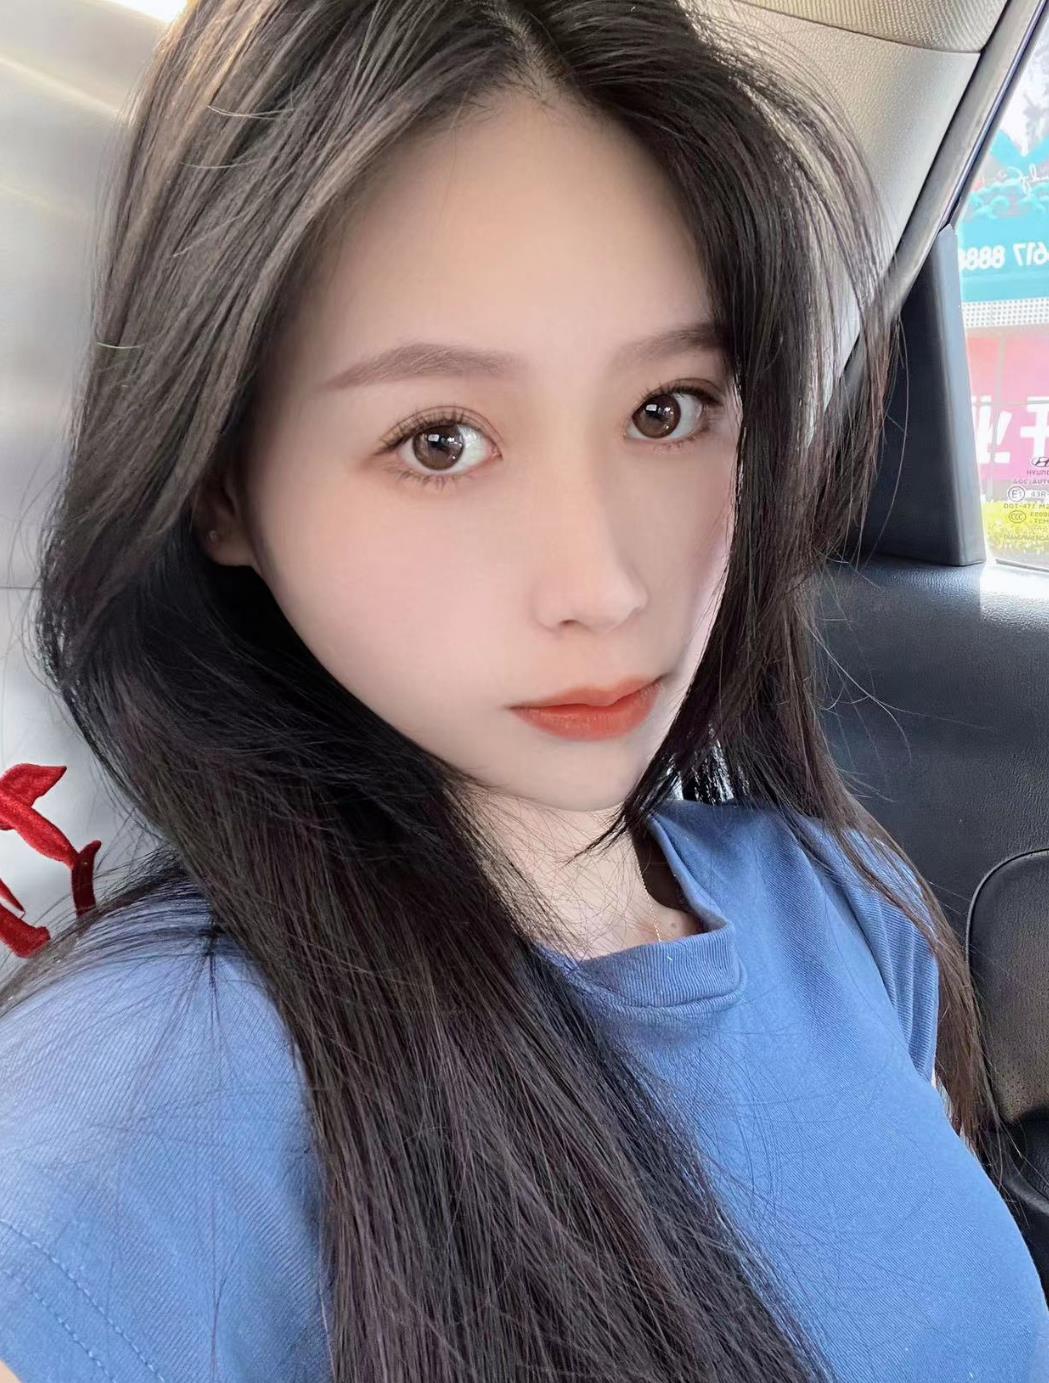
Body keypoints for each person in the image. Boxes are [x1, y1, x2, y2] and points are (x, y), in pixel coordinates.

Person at [0, 1, 1046, 1379]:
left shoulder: (842, 903)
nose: (603, 583)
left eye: (667, 409)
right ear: (221, 488)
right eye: (439, 440)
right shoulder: (135, 1117)